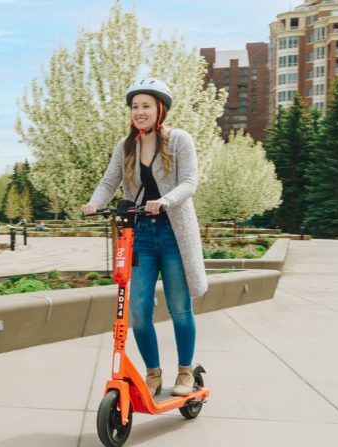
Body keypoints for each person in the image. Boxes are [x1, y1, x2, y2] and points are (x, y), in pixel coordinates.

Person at [82, 78, 208, 396]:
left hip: (173, 233)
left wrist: (166, 200)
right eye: (135, 106)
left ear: (159, 109)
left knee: (180, 306)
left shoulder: (179, 140)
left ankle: (185, 371)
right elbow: (109, 181)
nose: (139, 112)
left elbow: (190, 181)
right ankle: (153, 373)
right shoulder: (126, 146)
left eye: (146, 106)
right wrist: (96, 202)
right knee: (136, 311)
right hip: (139, 235)